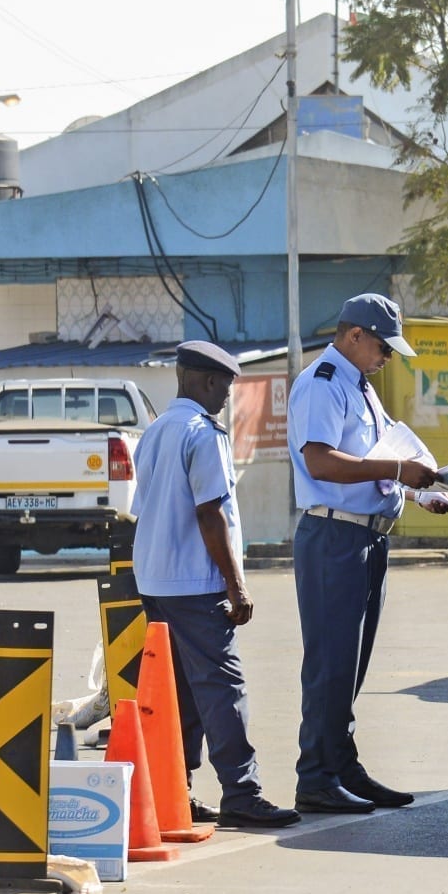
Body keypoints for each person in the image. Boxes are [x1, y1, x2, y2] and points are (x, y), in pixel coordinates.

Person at [287, 293, 448, 814]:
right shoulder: (323, 383)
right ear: (354, 335)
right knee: (330, 663)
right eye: (383, 347)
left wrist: (418, 491)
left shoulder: (360, 387)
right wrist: (399, 471)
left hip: (365, 536)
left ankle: (341, 766)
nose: (387, 358)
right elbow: (321, 462)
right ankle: (316, 776)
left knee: (350, 666)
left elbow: (375, 460)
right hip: (333, 536)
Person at [129, 340, 300, 828]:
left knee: (181, 691)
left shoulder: (155, 431)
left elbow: (143, 509)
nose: (226, 398)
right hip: (194, 583)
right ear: (206, 381)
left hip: (155, 580)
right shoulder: (204, 435)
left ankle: (175, 791)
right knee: (223, 689)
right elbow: (210, 513)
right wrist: (236, 586)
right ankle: (242, 793)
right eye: (225, 388)